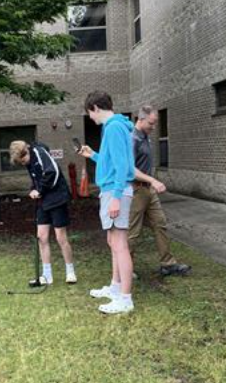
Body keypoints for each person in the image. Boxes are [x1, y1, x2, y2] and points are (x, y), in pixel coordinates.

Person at [79, 91, 136, 314]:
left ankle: (125, 298)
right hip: (111, 189)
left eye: (89, 113)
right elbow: (111, 161)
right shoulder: (114, 127)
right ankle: (115, 287)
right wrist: (93, 155)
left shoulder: (113, 127)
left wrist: (116, 198)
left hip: (115, 190)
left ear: (95, 107)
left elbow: (122, 166)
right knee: (113, 241)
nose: (90, 118)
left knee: (120, 244)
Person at [130, 106, 191, 277]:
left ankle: (167, 264)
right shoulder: (132, 139)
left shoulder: (145, 137)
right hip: (136, 190)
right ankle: (126, 268)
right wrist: (152, 180)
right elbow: (129, 170)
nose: (154, 127)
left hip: (148, 190)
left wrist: (151, 182)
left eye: (155, 123)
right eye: (151, 123)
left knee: (160, 223)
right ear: (141, 119)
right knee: (132, 232)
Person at [10, 140, 77, 285]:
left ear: (26, 152)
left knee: (61, 237)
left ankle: (70, 272)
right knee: (41, 237)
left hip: (57, 198)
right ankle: (47, 275)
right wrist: (33, 189)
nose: (24, 164)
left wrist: (39, 190)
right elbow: (36, 179)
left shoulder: (39, 153)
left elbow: (53, 172)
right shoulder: (29, 161)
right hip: (43, 201)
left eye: (23, 161)